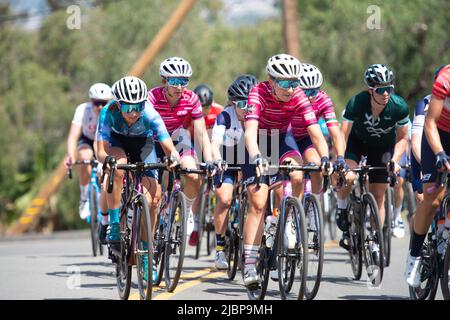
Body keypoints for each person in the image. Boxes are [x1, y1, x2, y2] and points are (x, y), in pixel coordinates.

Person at [243, 54, 331, 287]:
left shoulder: (299, 94)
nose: (291, 89)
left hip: (282, 139)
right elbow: (250, 133)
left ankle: (290, 222)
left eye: (294, 83)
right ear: (271, 80)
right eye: (285, 83)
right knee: (259, 203)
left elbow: (314, 132)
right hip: (258, 142)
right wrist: (256, 157)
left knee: (297, 174)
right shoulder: (257, 93)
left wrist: (325, 158)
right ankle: (250, 264)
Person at [97, 76, 180, 282]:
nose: (134, 112)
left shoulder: (150, 113)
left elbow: (167, 144)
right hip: (117, 142)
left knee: (154, 197)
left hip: (144, 144)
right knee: (117, 168)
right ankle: (114, 224)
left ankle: (145, 254)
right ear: (118, 104)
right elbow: (100, 150)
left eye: (138, 106)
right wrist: (106, 160)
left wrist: (174, 157)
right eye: (128, 108)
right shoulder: (108, 112)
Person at [336, 64, 409, 259]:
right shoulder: (357, 103)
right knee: (349, 178)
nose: (386, 93)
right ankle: (342, 206)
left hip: (382, 149)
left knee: (379, 195)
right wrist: (341, 160)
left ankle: (376, 239)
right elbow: (343, 134)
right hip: (356, 144)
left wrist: (395, 160)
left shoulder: (399, 106)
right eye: (381, 90)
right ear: (370, 90)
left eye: (389, 88)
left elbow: (402, 138)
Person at [147, 57, 216, 247]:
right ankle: (150, 238)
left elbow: (201, 133)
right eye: (175, 81)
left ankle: (185, 212)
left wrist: (209, 160)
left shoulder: (191, 99)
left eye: (184, 81)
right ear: (164, 80)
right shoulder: (152, 97)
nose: (180, 86)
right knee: (157, 192)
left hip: (178, 137)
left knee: (194, 176)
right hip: (152, 140)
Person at [405, 64, 450, 288]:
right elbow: (429, 124)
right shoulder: (445, 78)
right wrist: (440, 154)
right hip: (437, 136)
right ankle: (414, 256)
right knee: (432, 200)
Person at [210, 74, 258, 270]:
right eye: (242, 104)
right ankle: (220, 247)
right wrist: (217, 160)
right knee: (225, 199)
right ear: (232, 103)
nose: (246, 109)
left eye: (250, 104)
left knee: (258, 198)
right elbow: (214, 145)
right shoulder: (225, 116)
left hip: (248, 158)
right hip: (226, 159)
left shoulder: (256, 116)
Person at [64, 83, 112, 238]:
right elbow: (73, 136)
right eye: (96, 102)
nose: (99, 106)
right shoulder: (82, 110)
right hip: (87, 139)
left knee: (105, 170)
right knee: (84, 158)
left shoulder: (111, 111)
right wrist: (71, 156)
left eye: (103, 103)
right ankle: (85, 198)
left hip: (104, 141)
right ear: (90, 101)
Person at [291, 63, 346, 196]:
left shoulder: (323, 100)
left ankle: (313, 206)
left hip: (306, 138)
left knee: (317, 166)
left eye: (313, 91)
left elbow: (336, 134)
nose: (310, 97)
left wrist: (340, 158)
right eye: (306, 92)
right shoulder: (288, 97)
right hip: (287, 137)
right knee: (293, 175)